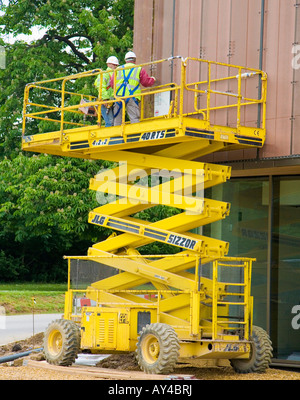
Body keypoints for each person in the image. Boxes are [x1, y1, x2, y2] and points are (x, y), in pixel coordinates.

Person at [111, 51, 156, 125]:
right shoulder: (138, 69)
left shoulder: (117, 69)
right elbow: (146, 82)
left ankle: (117, 134)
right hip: (132, 96)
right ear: (135, 60)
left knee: (117, 117)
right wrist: (153, 80)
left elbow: (112, 84)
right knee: (134, 117)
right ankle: (136, 134)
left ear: (125, 60)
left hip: (118, 96)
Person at [94, 55, 119, 127]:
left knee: (114, 122)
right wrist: (105, 98)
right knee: (110, 122)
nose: (115, 66)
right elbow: (100, 86)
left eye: (116, 65)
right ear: (108, 64)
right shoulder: (104, 74)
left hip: (112, 101)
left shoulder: (116, 74)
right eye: (114, 64)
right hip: (105, 102)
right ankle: (109, 137)